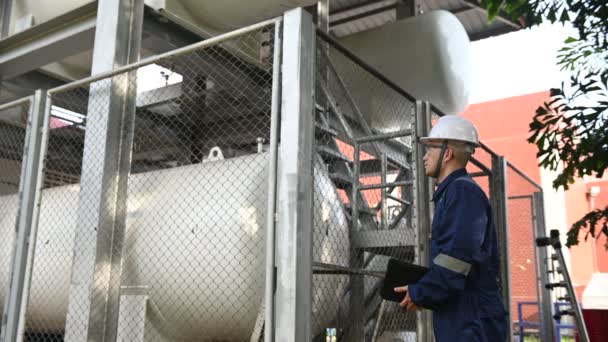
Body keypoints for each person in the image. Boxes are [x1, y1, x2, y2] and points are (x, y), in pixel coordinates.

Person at [394, 115, 507, 341]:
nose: (425, 156)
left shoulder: (462, 193)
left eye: (430, 149)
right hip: (465, 316)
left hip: (471, 322)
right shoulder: (454, 193)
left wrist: (421, 292)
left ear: (447, 153)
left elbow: (456, 260)